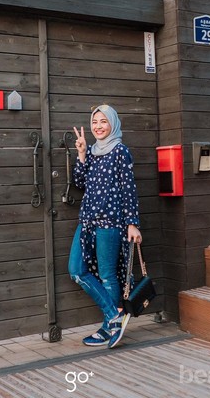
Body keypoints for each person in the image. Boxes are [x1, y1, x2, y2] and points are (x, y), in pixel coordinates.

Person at [68, 104, 142, 349]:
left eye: (103, 121)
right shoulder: (91, 151)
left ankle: (108, 326)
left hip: (111, 222)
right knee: (76, 270)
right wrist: (81, 154)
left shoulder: (120, 151)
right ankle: (113, 316)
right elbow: (79, 182)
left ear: (113, 123)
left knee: (108, 275)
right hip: (88, 221)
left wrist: (132, 223)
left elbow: (129, 189)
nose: (98, 126)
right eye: (94, 122)